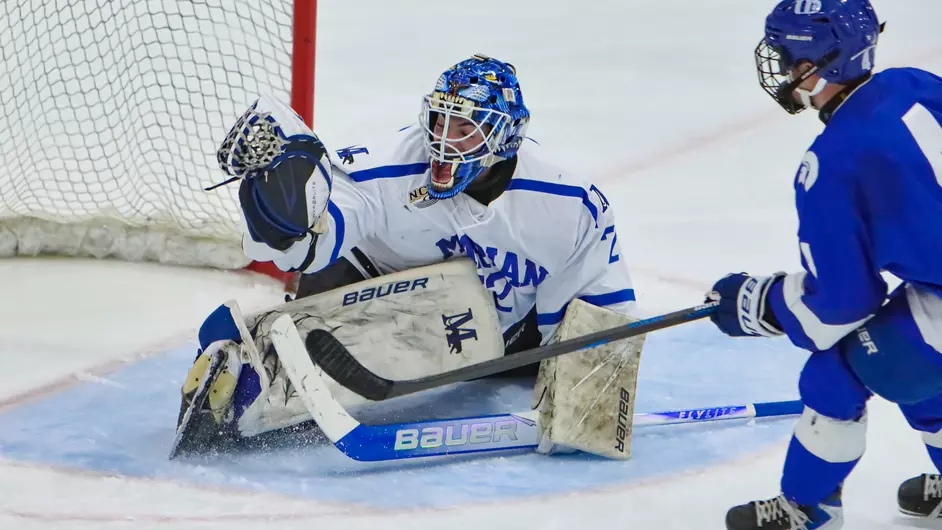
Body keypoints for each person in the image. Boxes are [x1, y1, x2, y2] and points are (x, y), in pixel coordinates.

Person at [172, 54, 643, 460]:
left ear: (505, 136)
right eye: (439, 120)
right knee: (331, 273)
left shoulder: (568, 206)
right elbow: (310, 246)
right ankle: (259, 373)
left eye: (464, 128)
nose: (442, 139)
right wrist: (281, 206)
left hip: (509, 335)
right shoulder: (384, 168)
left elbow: (601, 310)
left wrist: (590, 402)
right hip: (380, 294)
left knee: (518, 330)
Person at [705, 0, 942, 528]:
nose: (784, 70)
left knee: (838, 373)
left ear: (821, 63)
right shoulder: (915, 82)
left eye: (790, 58)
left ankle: (805, 508)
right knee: (915, 359)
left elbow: (840, 305)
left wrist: (760, 303)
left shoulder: (833, 160)